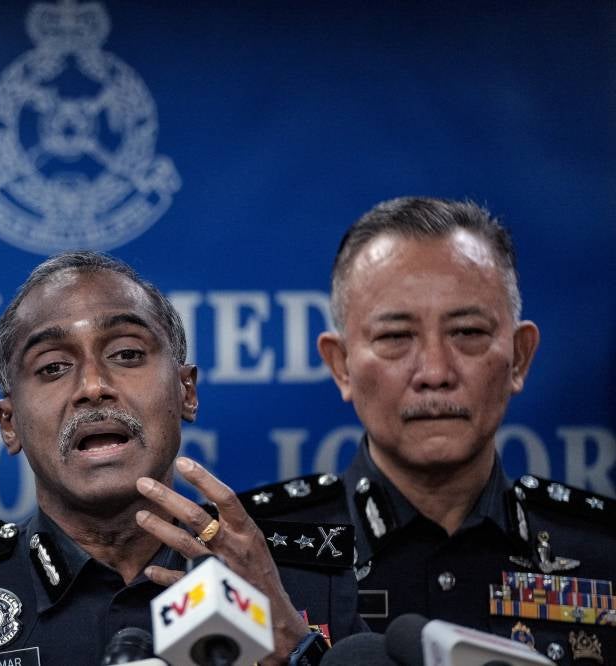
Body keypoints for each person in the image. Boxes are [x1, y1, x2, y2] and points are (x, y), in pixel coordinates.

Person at [0, 252, 363, 665]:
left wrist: (297, 651)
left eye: (128, 355)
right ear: (10, 424)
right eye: (52, 367)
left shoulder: (301, 582)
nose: (93, 387)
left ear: (186, 392)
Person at [238, 197, 615, 665]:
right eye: (396, 338)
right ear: (342, 367)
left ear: (519, 357)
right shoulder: (255, 557)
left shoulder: (603, 554)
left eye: (468, 332)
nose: (435, 372)